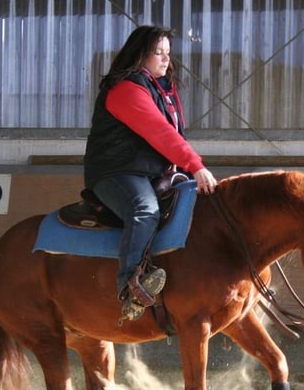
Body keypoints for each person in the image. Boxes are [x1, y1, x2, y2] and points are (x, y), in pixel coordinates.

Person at [84, 25, 218, 321]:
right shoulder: (126, 89)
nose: (166, 59)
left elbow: (173, 136)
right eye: (158, 52)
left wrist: (187, 168)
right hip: (117, 171)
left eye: (168, 53)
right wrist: (195, 165)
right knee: (144, 210)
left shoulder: (162, 90)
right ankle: (130, 287)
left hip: (148, 172)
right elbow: (160, 133)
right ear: (140, 54)